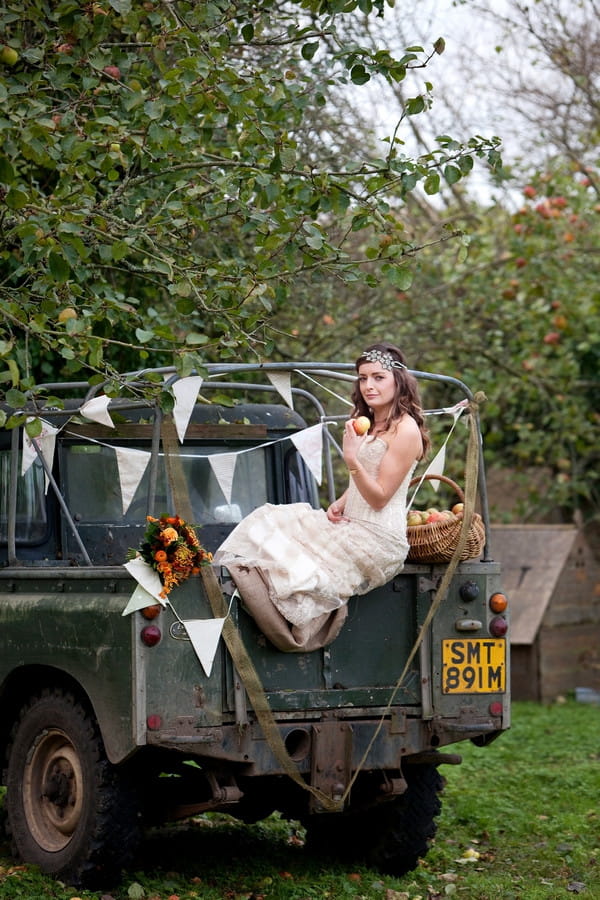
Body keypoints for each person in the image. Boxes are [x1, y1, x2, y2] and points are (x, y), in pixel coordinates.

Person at [213, 342, 430, 651]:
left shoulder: (405, 430)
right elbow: (371, 475)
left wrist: (352, 459)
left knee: (294, 570)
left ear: (399, 380)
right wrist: (342, 501)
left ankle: (285, 626)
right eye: (363, 377)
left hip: (377, 538)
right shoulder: (371, 421)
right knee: (269, 519)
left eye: (378, 377)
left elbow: (381, 497)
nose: (369, 385)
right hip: (351, 522)